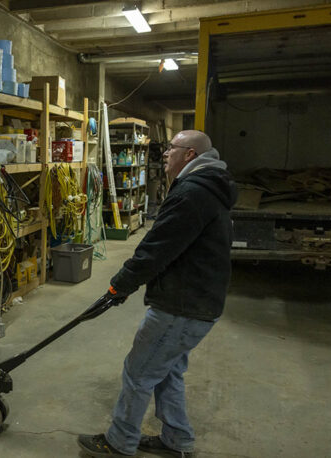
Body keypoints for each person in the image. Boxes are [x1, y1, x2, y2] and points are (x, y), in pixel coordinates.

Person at [78, 130, 237, 458]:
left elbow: (156, 249)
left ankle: (119, 443)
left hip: (183, 305)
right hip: (196, 300)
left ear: (190, 155)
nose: (164, 154)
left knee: (138, 371)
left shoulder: (192, 193)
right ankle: (177, 440)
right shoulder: (205, 188)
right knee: (167, 370)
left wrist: (121, 284)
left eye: (171, 149)